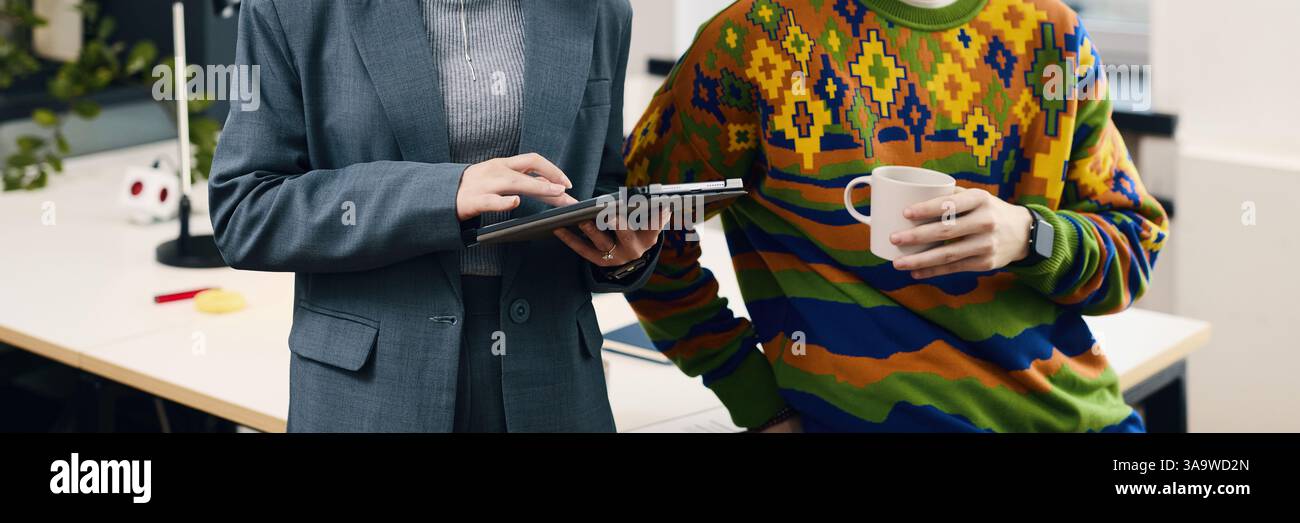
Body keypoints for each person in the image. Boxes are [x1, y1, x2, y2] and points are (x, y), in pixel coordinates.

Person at [623, 0, 1169, 432]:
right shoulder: (755, 38)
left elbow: (1133, 248)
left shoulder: (1055, 37)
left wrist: (1031, 236)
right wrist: (754, 398)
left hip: (1078, 418)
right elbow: (633, 228)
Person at [209, 0, 661, 432]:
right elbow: (246, 210)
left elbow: (596, 187)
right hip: (371, 391)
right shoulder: (290, 9)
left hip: (556, 388)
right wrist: (442, 195)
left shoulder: (601, 9)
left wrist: (623, 252)